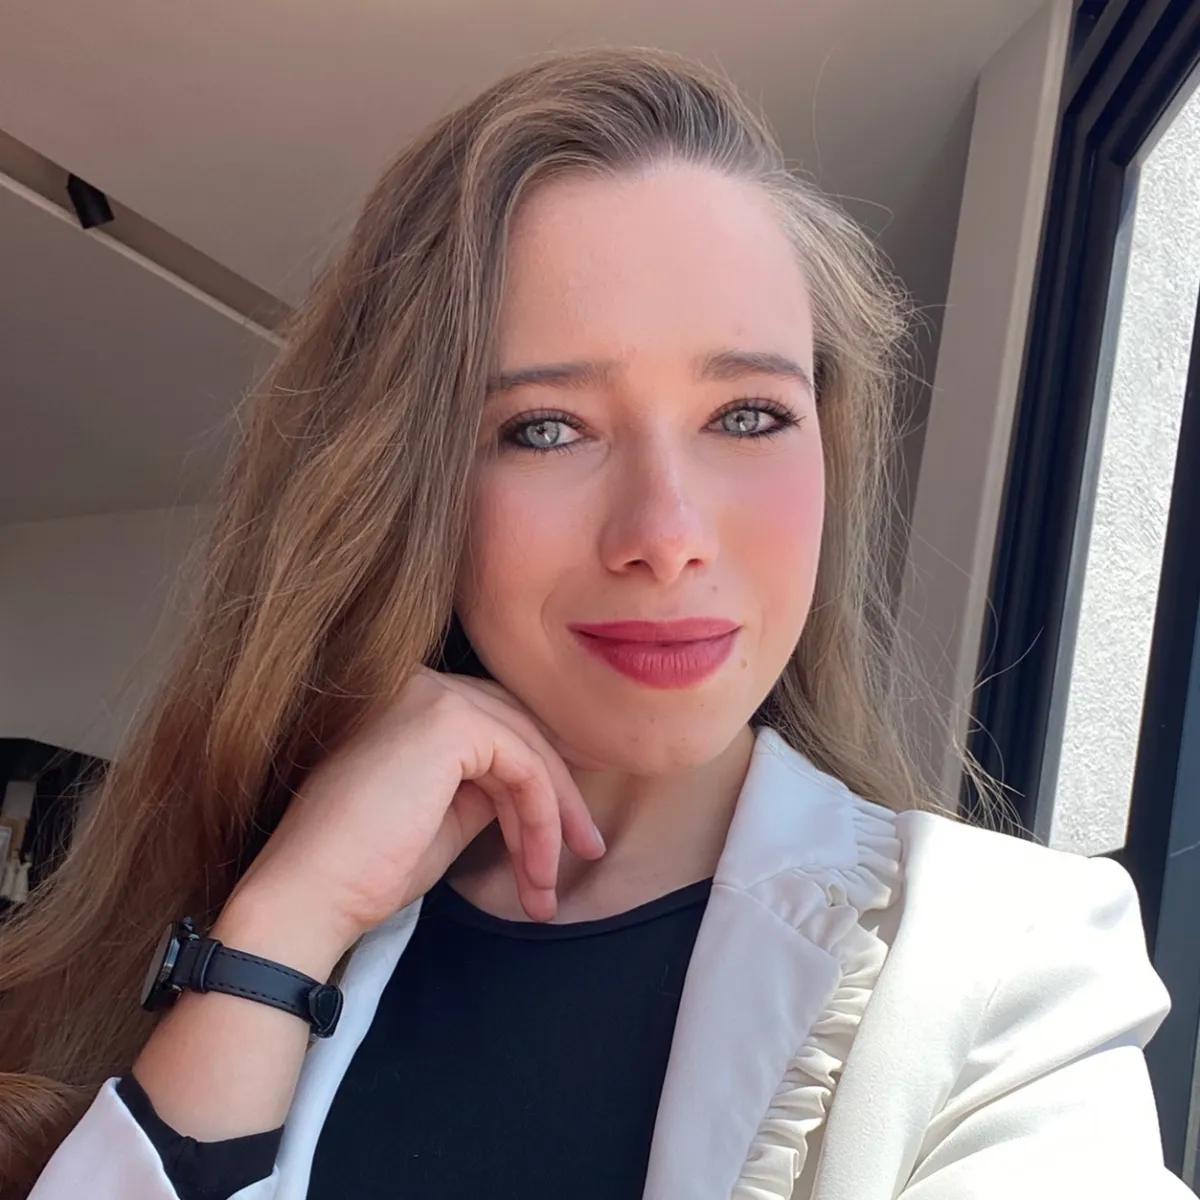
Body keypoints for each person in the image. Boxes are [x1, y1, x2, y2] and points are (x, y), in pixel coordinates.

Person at [0, 46, 1188, 1200]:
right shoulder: (228, 902)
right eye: (546, 428)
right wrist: (277, 930)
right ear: (410, 481)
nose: (666, 534)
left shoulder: (1004, 962)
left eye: (748, 415)